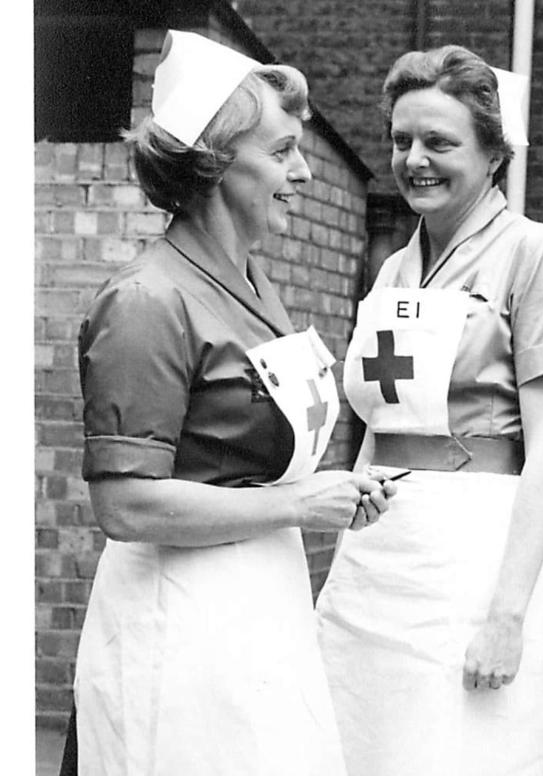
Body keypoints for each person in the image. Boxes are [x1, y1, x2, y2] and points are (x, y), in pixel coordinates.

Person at [71, 30, 392, 776]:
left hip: (259, 604)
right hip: (182, 620)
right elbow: (126, 507)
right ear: (214, 162)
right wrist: (301, 505)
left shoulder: (253, 283)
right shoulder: (148, 300)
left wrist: (329, 497)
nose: (305, 172)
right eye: (282, 152)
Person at [313, 45, 543, 776]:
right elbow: (376, 426)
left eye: (440, 142)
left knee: (460, 751)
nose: (414, 160)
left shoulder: (535, 253)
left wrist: (506, 612)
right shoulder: (393, 267)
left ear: (495, 153)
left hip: (475, 547)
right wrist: (347, 559)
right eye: (402, 140)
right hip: (378, 547)